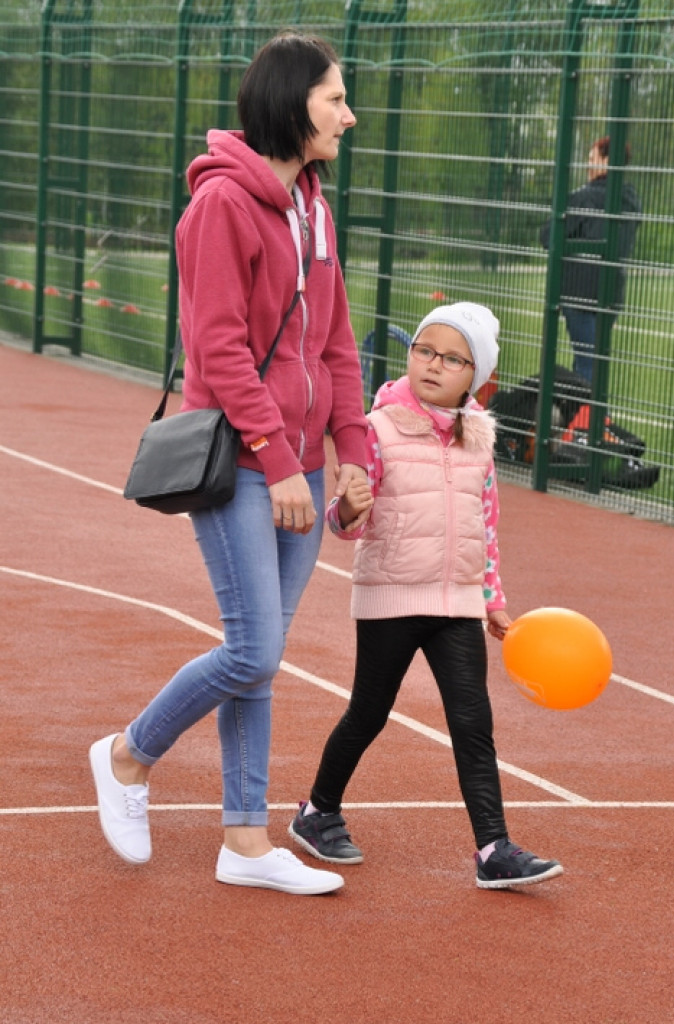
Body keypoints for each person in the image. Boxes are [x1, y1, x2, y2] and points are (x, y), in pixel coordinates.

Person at [89, 32, 370, 896]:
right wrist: (283, 461)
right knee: (253, 651)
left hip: (300, 466)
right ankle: (128, 756)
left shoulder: (314, 207)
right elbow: (216, 347)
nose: (348, 115)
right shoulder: (219, 207)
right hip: (245, 463)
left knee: (265, 653)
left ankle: (244, 841)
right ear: (291, 104)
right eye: (334, 99)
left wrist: (354, 455)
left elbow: (337, 343)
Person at [288, 302, 564, 889]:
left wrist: (492, 598)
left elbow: (484, 527)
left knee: (473, 720)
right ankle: (317, 812)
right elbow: (345, 523)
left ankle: (493, 848)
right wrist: (346, 511)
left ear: (478, 377)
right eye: (424, 351)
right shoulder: (375, 429)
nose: (435, 365)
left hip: (457, 603)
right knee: (369, 713)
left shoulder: (480, 443)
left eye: (453, 358)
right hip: (392, 596)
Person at [540, 136, 641, 385]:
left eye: (591, 158)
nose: (588, 165)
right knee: (592, 359)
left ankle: (589, 419)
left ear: (607, 161)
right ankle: (586, 416)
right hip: (610, 293)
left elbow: (548, 236)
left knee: (586, 364)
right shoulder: (631, 200)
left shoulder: (583, 198)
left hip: (579, 293)